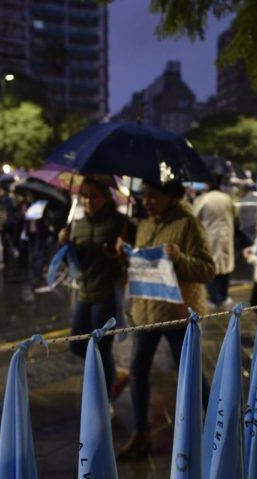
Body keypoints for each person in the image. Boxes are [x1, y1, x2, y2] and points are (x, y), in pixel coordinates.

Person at [116, 178, 215, 459]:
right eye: (144, 195)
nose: (147, 202)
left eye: (153, 196)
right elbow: (142, 264)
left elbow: (208, 270)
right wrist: (124, 256)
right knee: (138, 370)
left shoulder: (188, 224)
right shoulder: (145, 224)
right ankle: (141, 433)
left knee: (192, 372)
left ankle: (220, 425)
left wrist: (179, 259)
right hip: (146, 311)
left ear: (170, 197)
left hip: (177, 313)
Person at [58, 177, 131, 412]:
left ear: (106, 197)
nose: (88, 201)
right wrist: (64, 242)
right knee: (77, 345)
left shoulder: (120, 223)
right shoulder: (78, 224)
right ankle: (117, 374)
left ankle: (106, 400)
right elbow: (74, 260)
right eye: (85, 196)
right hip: (85, 290)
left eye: (94, 196)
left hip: (107, 292)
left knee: (100, 348)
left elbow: (131, 258)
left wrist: (120, 253)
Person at [193, 182, 236, 308]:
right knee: (226, 266)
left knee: (211, 266)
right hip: (226, 236)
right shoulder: (227, 198)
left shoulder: (203, 199)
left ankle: (214, 298)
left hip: (209, 236)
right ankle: (223, 296)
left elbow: (195, 218)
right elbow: (234, 214)